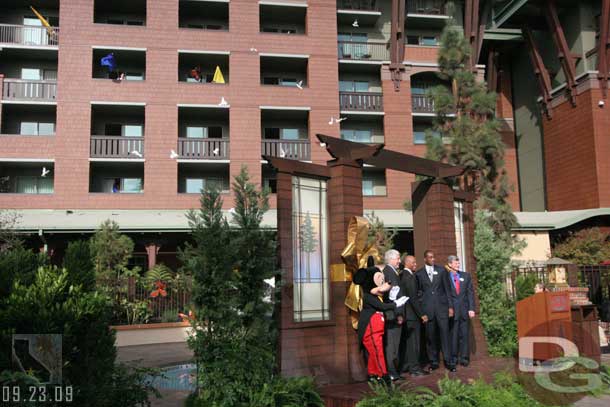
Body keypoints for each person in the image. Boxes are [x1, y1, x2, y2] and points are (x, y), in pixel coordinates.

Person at [354, 258, 409, 385]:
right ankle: (382, 375)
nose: (384, 283)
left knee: (375, 353)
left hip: (377, 331)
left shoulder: (374, 295)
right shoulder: (368, 296)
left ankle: (374, 374)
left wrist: (392, 297)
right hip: (371, 331)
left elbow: (383, 296)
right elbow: (382, 307)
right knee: (377, 353)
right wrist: (395, 304)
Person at [415, 249, 455, 372]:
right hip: (428, 310)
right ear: (425, 259)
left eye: (434, 257)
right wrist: (422, 310)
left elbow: (448, 289)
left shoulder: (442, 271)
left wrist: (450, 307)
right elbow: (418, 293)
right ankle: (433, 361)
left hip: (442, 309)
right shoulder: (419, 274)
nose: (433, 259)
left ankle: (449, 362)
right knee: (431, 337)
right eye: (430, 257)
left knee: (445, 335)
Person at [399, 254, 429, 376]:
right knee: (414, 343)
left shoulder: (402, 275)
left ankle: (408, 365)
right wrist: (422, 314)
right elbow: (413, 298)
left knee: (410, 342)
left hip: (408, 315)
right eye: (414, 263)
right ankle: (415, 369)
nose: (416, 265)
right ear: (408, 263)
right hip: (412, 316)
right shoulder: (409, 277)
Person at [446, 255, 475, 367]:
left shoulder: (466, 276)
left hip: (464, 310)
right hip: (452, 311)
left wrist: (471, 308)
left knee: (464, 335)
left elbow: (470, 293)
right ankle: (453, 358)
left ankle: (464, 358)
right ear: (450, 264)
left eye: (458, 263)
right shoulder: (446, 277)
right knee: (453, 336)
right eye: (455, 263)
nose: (458, 265)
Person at [382, 249, 404, 381]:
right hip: (392, 315)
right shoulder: (389, 272)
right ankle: (391, 372)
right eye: (398, 258)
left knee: (394, 345)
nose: (399, 261)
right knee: (392, 345)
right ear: (390, 259)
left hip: (393, 314)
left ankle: (393, 371)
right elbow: (392, 296)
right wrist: (399, 314)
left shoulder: (391, 272)